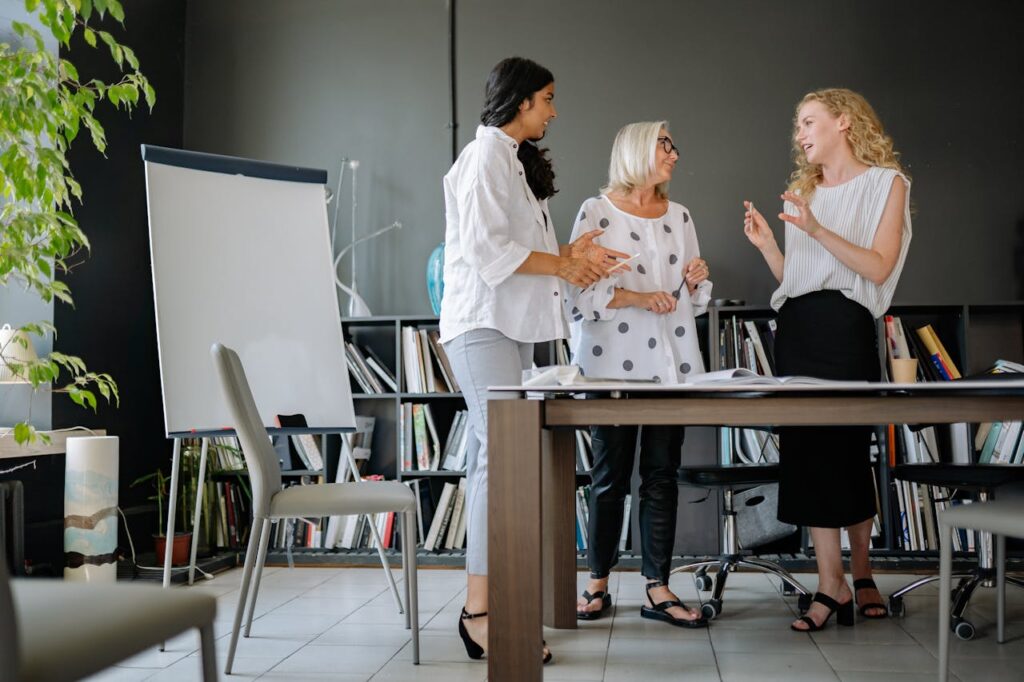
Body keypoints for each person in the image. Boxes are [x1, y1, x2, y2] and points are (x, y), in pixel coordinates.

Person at [439, 56, 628, 662]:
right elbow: (490, 252)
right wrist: (563, 262)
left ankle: (496, 606)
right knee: (498, 460)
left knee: (499, 462)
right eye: (547, 98)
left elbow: (523, 251)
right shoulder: (484, 157)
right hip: (480, 326)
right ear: (521, 101)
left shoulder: (511, 162)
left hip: (506, 327)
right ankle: (480, 614)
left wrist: (572, 254)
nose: (552, 109)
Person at [743, 88, 912, 631]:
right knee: (807, 452)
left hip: (845, 327)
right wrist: (772, 247)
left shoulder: (888, 183)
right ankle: (829, 583)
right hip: (796, 326)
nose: (800, 133)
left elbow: (878, 267)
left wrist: (817, 230)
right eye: (798, 126)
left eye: (808, 122)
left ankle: (861, 572)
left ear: (843, 122)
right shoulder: (802, 190)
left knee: (844, 450)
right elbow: (797, 281)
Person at [568, 121, 711, 628]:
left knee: (661, 476)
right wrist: (633, 296)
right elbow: (578, 295)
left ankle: (657, 586)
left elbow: (689, 302)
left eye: (673, 143)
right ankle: (597, 583)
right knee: (609, 480)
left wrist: (696, 281)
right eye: (664, 144)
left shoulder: (681, 215)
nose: (674, 153)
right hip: (612, 367)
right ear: (635, 152)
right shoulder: (595, 211)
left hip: (671, 365)